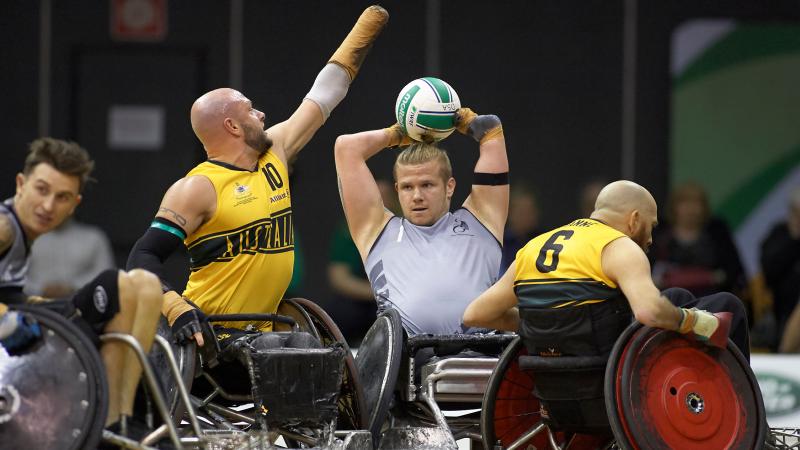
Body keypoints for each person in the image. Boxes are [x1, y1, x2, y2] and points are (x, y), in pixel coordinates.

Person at [126, 6, 389, 347]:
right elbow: (142, 256)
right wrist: (175, 306)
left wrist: (363, 33)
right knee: (303, 355)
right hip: (217, 334)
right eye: (251, 110)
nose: (261, 114)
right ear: (232, 126)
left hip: (264, 329)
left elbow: (324, 94)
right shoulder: (197, 187)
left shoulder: (275, 152)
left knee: (322, 355)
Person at [463, 180, 750, 361]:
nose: (650, 239)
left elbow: (475, 315)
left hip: (548, 362)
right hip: (608, 360)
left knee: (676, 294)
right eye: (651, 226)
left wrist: (538, 322)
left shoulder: (534, 247)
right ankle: (741, 413)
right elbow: (649, 313)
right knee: (728, 305)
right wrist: (696, 322)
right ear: (634, 220)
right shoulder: (620, 246)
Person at [0, 137, 163, 435]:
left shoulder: (23, 233)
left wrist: (29, 303)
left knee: (146, 284)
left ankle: (125, 416)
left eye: (62, 197)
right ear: (21, 183)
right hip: (13, 341)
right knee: (116, 286)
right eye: (41, 189)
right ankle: (108, 424)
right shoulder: (5, 227)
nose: (48, 205)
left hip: (30, 319)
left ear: (75, 204)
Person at [334, 106, 509, 336]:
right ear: (397, 190)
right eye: (407, 187)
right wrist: (396, 134)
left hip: (482, 362)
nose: (416, 196)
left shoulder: (482, 220)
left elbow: (491, 131)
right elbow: (347, 148)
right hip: (408, 365)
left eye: (427, 185)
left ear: (449, 187)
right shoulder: (375, 230)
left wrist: (468, 123)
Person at [327, 178, 399, 344]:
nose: (380, 202)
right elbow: (339, 278)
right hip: (362, 302)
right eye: (375, 196)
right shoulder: (348, 232)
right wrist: (377, 294)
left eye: (385, 197)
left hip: (398, 301)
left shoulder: (405, 228)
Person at [649, 181, 747, 298]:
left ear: (704, 207)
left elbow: (734, 272)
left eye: (696, 202)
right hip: (667, 300)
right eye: (684, 202)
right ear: (674, 206)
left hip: (711, 301)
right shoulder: (659, 233)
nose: (691, 209)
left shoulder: (717, 232)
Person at [25, 217, 115, 297]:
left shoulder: (94, 237)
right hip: (33, 306)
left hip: (82, 305)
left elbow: (106, 273)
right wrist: (39, 288)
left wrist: (73, 286)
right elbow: (14, 274)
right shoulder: (27, 237)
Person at [761, 186, 800, 350]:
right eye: (797, 213)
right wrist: (794, 238)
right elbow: (769, 275)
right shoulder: (780, 234)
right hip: (784, 311)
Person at [500, 184, 543, 273]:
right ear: (510, 213)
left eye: (530, 211)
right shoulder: (500, 243)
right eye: (521, 212)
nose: (526, 217)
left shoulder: (544, 241)